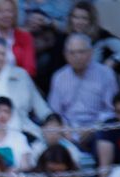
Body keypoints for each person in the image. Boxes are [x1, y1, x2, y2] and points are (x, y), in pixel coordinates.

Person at [47, 33, 116, 167]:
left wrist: (92, 128)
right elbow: (55, 112)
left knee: (103, 139)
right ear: (65, 55)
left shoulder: (106, 74)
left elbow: (111, 110)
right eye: (72, 53)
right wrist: (65, 130)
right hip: (68, 131)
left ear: (90, 53)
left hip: (97, 129)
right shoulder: (59, 77)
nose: (77, 57)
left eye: (81, 52)